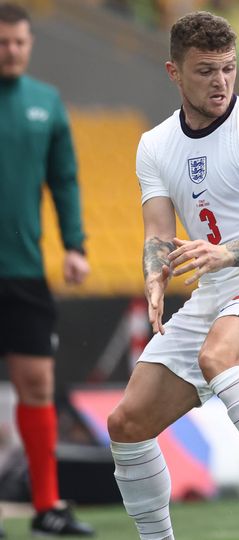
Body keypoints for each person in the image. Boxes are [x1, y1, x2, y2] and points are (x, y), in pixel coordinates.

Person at [105, 12, 239, 540]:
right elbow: (158, 232)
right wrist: (155, 276)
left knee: (218, 356)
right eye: (206, 71)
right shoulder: (154, 144)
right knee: (127, 425)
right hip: (214, 292)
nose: (221, 82)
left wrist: (225, 255)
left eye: (228, 68)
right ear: (173, 73)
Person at [0, 3, 94, 536]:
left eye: (19, 42)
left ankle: (46, 508)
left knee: (36, 385)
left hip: (24, 273)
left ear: (30, 44)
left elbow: (64, 180)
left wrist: (75, 245)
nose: (11, 50)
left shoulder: (45, 103)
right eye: (1, 42)